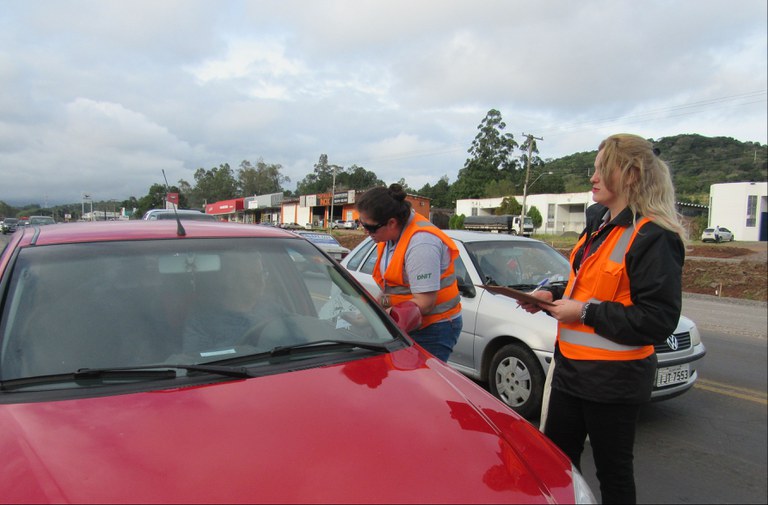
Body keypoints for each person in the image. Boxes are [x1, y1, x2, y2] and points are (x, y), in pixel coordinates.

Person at [520, 134, 686, 504]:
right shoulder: (599, 221)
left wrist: (584, 312)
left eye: (601, 169)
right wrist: (553, 294)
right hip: (570, 373)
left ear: (629, 175)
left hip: (614, 381)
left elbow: (657, 320)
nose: (592, 177)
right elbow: (586, 283)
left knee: (613, 474)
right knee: (559, 464)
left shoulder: (655, 236)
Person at [355, 183, 463, 362]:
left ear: (391, 222)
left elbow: (425, 303)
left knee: (419, 384)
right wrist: (371, 310)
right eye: (362, 224)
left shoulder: (422, 244)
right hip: (406, 321)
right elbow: (394, 288)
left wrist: (382, 319)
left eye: (371, 227)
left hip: (434, 327)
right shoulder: (389, 235)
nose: (366, 231)